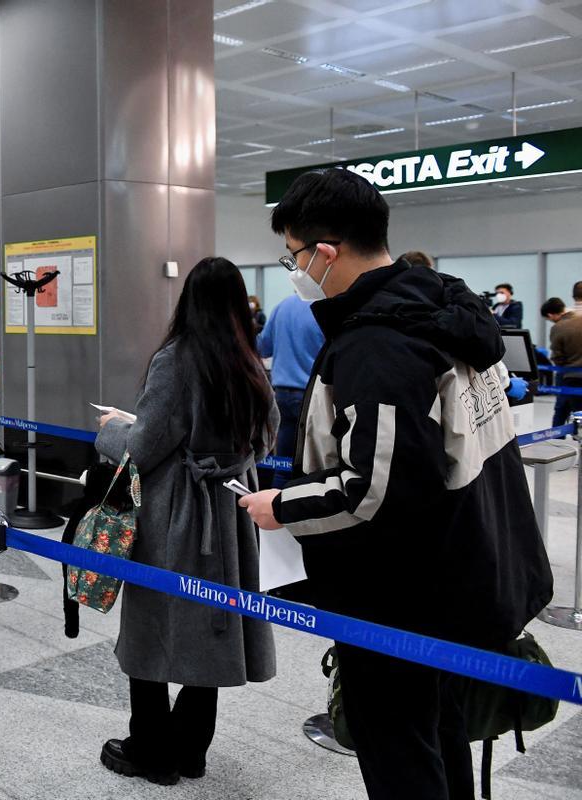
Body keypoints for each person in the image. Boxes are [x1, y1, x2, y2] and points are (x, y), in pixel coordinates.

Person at [238, 169, 552, 800]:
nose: (294, 268)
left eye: (294, 255)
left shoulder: (379, 344)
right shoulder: (443, 308)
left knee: (398, 749)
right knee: (439, 730)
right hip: (466, 568)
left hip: (401, 594)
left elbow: (373, 491)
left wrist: (282, 505)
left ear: (325, 252)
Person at [93, 257, 277, 786]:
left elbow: (144, 447)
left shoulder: (177, 359)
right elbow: (265, 436)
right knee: (213, 627)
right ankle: (191, 750)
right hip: (231, 509)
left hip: (176, 512)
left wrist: (110, 429)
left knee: (152, 626)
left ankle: (151, 750)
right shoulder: (248, 361)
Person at [257, 291, 324, 489]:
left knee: (283, 465)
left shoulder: (281, 307)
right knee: (316, 468)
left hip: (282, 396)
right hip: (312, 398)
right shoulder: (324, 308)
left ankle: (275, 513)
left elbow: (263, 347)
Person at [542, 296, 582, 426]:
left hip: (571, 376)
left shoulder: (558, 327)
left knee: (563, 409)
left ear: (550, 315)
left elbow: (557, 356)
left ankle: (558, 439)